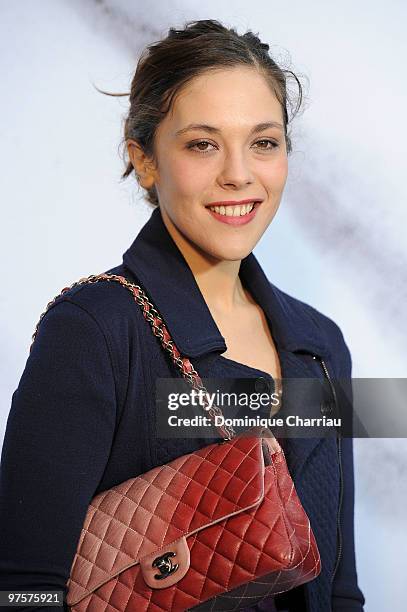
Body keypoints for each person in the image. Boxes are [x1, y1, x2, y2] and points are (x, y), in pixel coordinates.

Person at [0, 18, 365, 612]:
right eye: (202, 143)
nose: (239, 174)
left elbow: (340, 582)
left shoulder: (322, 344)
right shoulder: (94, 329)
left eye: (264, 142)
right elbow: (21, 583)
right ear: (144, 159)